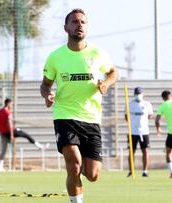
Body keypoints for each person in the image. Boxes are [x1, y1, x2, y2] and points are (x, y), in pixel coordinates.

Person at [40, 8, 118, 203]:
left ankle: (82, 169)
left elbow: (113, 73)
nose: (79, 25)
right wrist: (47, 95)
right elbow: (45, 84)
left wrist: (105, 84)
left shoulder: (97, 53)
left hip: (91, 118)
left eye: (82, 22)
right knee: (73, 165)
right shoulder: (56, 57)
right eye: (74, 22)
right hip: (65, 115)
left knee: (92, 174)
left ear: (87, 27)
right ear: (66, 28)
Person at [0, 98, 48, 172]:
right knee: (26, 135)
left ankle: (0, 167)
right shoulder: (8, 112)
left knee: (4, 150)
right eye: (11, 104)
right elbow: (9, 123)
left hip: (3, 133)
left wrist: (1, 125)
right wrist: (12, 135)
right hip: (11, 131)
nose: (11, 106)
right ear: (8, 103)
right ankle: (40, 146)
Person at [125, 87, 153, 177]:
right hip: (132, 131)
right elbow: (126, 117)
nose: (138, 95)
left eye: (139, 93)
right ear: (134, 94)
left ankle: (145, 170)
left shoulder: (147, 104)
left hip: (144, 131)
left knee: (145, 150)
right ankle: (131, 170)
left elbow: (149, 116)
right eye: (137, 94)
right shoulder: (130, 104)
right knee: (131, 151)